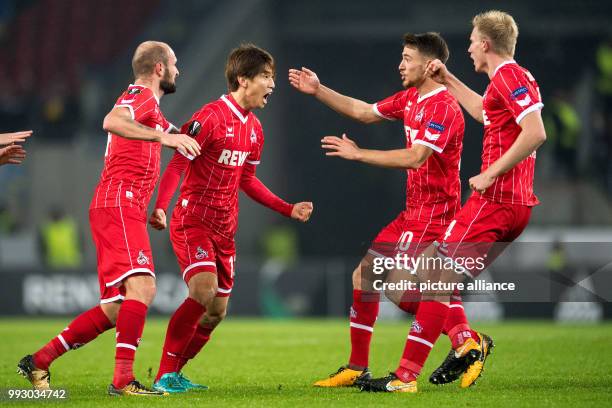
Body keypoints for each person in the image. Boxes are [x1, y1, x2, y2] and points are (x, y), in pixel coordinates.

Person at [360, 10, 546, 393]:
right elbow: (484, 112)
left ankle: (407, 376)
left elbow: (535, 132)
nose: (468, 47)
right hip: (518, 205)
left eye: (472, 40)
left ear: (486, 44)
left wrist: (492, 173)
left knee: (433, 278)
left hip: (495, 199)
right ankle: (464, 342)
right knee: (433, 277)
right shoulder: (508, 81)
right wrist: (450, 79)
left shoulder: (509, 74)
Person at [289, 32, 486, 391]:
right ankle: (358, 366)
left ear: (429, 65)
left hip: (434, 215)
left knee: (400, 290)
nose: (400, 64)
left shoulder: (444, 107)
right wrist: (319, 89)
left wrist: (359, 154)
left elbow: (416, 157)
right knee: (363, 279)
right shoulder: (412, 99)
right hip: (411, 213)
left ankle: (462, 341)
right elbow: (364, 112)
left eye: (407, 58)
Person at [17, 41, 201, 397]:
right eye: (175, 63)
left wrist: (185, 134)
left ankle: (40, 360)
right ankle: (123, 380)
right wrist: (163, 136)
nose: (179, 70)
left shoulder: (154, 110)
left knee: (117, 308)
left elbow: (185, 134)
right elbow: (112, 120)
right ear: (159, 69)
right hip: (120, 202)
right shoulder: (140, 96)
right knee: (144, 288)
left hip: (119, 205)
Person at [148, 44, 313, 393]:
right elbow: (179, 162)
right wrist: (162, 205)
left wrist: (288, 208)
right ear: (243, 79)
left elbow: (247, 181)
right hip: (193, 220)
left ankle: (174, 372)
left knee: (216, 311)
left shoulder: (255, 131)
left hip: (225, 229)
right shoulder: (208, 117)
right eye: (266, 77)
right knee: (203, 290)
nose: (272, 84)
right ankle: (164, 375)